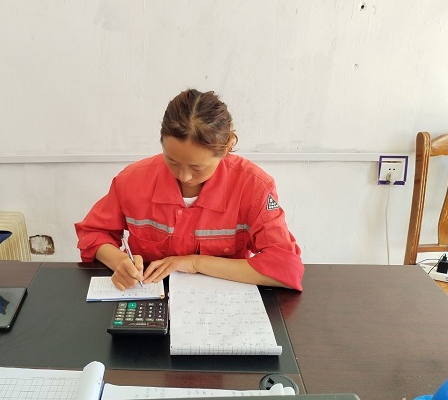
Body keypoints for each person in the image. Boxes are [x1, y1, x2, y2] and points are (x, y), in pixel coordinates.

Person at [75, 89, 304, 291]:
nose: (184, 176)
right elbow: (93, 234)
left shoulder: (254, 187)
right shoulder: (132, 181)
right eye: (172, 161)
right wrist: (119, 262)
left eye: (197, 168)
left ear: (226, 149)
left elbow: (285, 268)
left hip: (222, 305)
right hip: (150, 298)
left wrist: (194, 263)